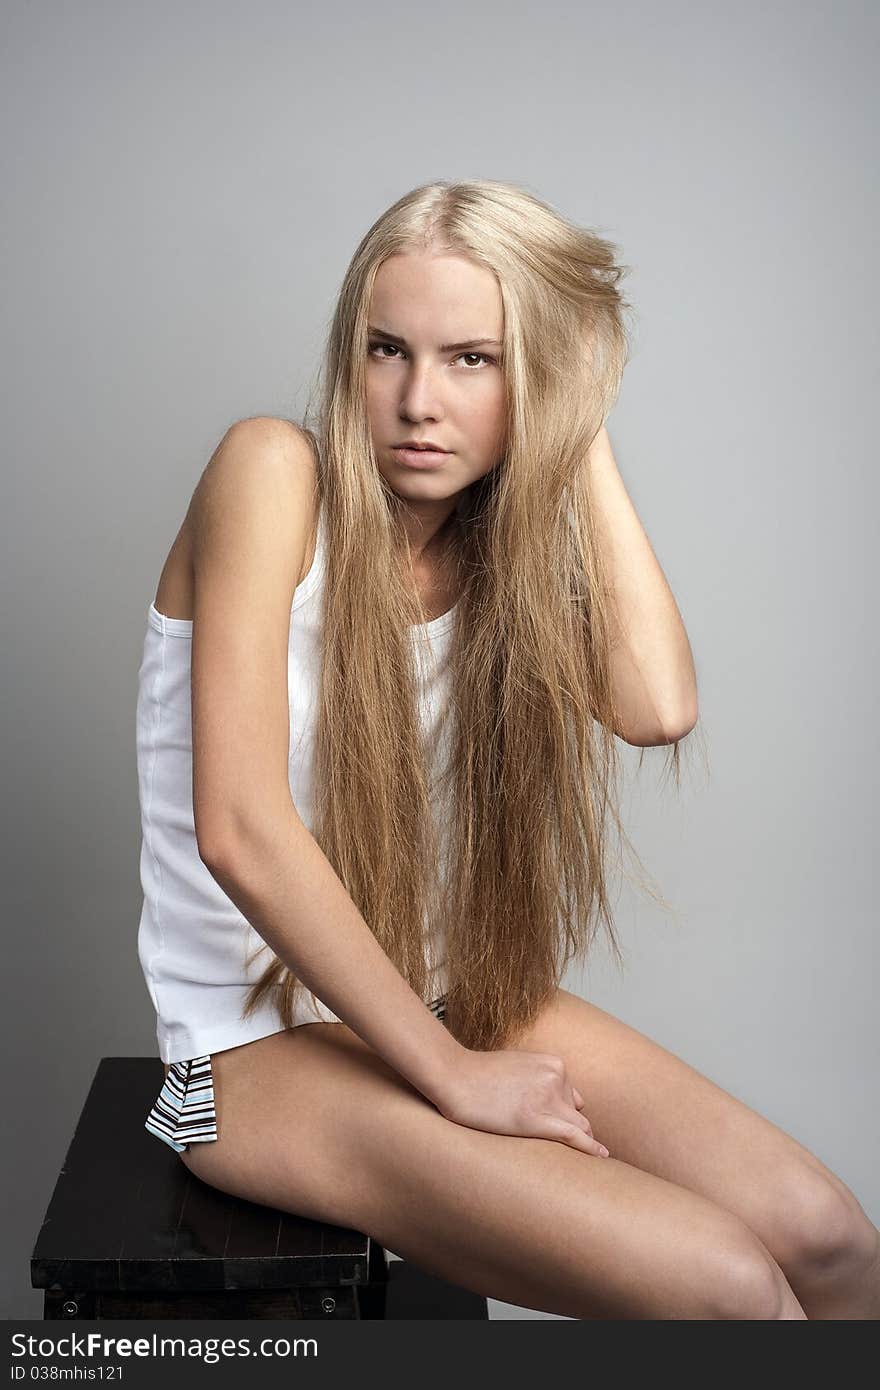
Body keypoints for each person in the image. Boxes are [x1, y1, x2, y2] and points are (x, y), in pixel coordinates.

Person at [135, 178, 878, 1319]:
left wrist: (572, 425)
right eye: (387, 351)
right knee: (728, 1287)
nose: (417, 400)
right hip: (249, 1055)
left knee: (831, 1243)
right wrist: (449, 1077)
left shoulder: (496, 555)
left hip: (447, 993)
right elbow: (238, 825)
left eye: (474, 359)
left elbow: (656, 704)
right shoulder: (269, 473)